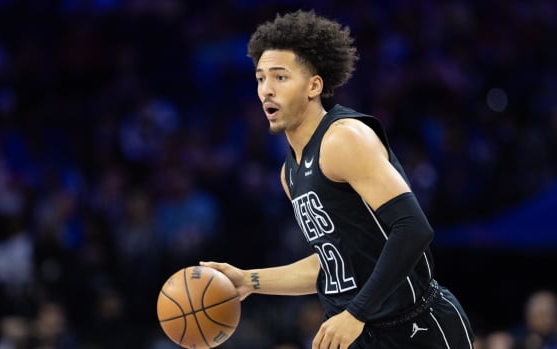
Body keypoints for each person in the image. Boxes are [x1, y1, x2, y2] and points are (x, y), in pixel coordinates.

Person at [201, 9, 474, 349]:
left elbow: (413, 229)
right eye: (260, 78)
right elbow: (335, 263)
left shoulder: (342, 138)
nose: (266, 90)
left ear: (314, 85)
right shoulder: (290, 174)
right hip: (360, 333)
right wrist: (250, 281)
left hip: (416, 327)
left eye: (280, 77)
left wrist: (355, 313)